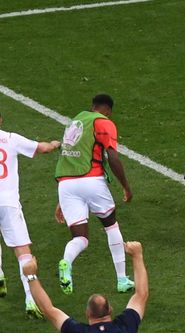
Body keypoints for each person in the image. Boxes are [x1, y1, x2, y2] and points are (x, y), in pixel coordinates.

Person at [55, 94, 134, 296]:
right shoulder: (103, 122)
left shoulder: (74, 122)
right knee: (111, 225)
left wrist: (60, 201)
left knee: (80, 238)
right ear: (108, 110)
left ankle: (67, 262)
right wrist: (125, 185)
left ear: (93, 106)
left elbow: (70, 159)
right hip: (91, 181)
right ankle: (122, 279)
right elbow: (112, 156)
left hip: (65, 185)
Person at [0, 112, 61, 317]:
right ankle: (30, 299)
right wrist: (54, 144)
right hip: (8, 203)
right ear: (0, 120)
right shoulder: (11, 139)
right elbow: (42, 148)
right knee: (22, 249)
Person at [21, 241, 148, 333]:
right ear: (110, 310)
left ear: (87, 313)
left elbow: (48, 309)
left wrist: (31, 276)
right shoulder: (125, 326)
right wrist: (137, 255)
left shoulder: (77, 331)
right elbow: (141, 294)